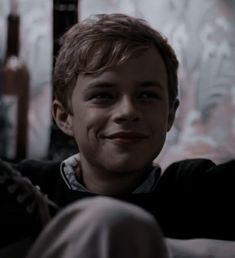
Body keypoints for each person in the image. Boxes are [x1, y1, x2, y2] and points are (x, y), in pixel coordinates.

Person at [0, 13, 235, 258]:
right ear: (64, 117)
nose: (128, 112)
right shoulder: (19, 189)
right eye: (103, 95)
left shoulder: (199, 191)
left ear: (169, 114)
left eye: (147, 96)